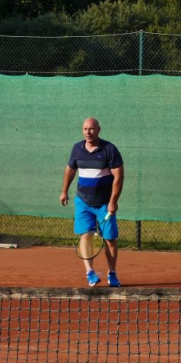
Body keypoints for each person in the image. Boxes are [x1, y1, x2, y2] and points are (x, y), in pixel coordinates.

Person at [60, 117, 124, 287]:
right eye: (85, 129)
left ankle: (112, 274)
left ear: (98, 130)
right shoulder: (77, 149)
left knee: (110, 239)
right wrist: (64, 191)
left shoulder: (109, 149)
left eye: (91, 129)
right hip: (83, 202)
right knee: (86, 236)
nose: (88, 132)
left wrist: (113, 201)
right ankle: (90, 272)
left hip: (104, 204)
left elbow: (119, 177)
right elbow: (70, 170)